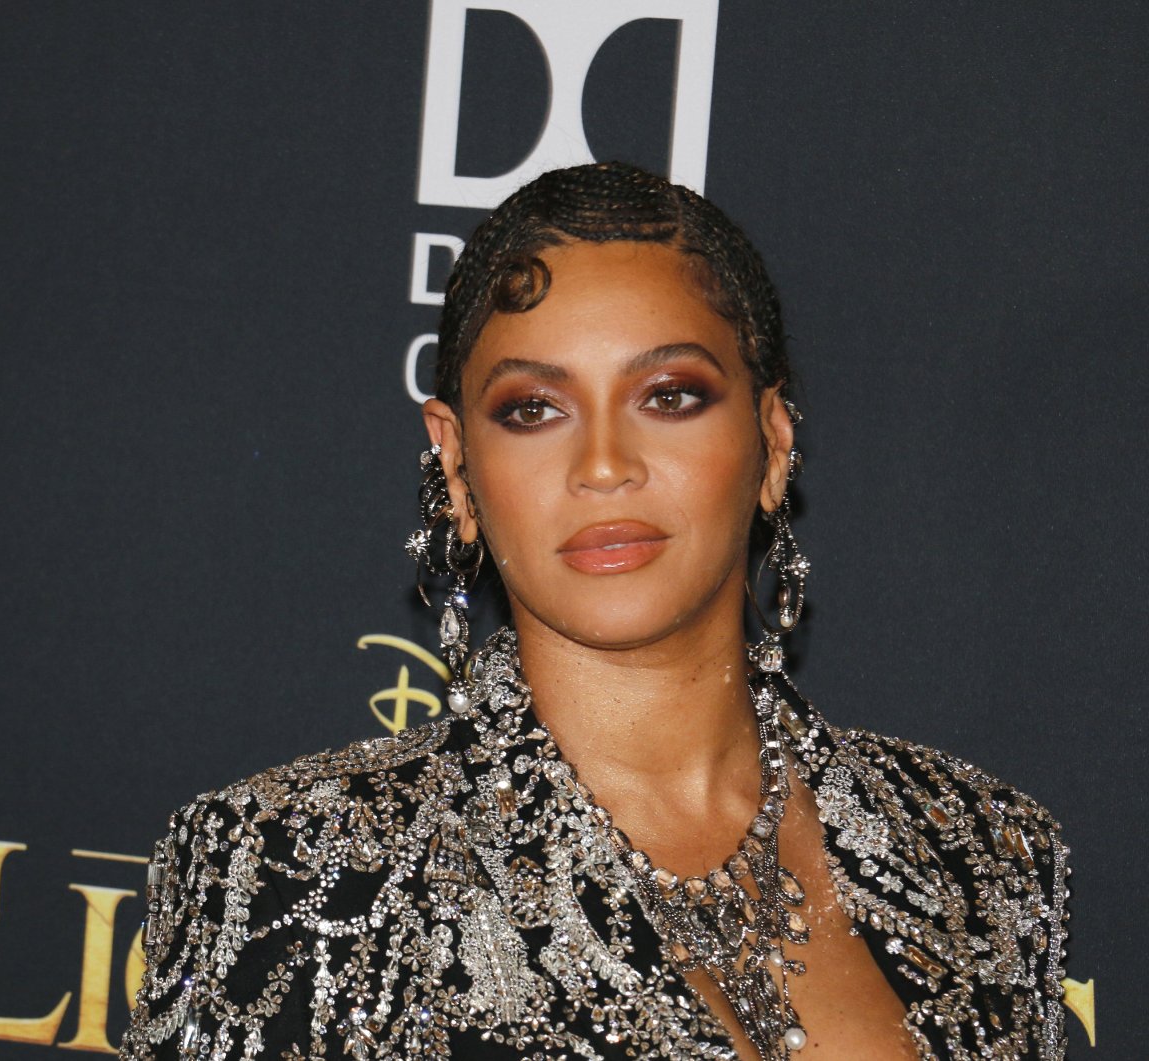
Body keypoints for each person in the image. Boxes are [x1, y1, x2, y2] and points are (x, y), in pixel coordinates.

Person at [118, 161, 1071, 1060]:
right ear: (456, 465)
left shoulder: (985, 849)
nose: (605, 464)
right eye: (534, 408)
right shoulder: (288, 871)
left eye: (669, 394)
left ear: (773, 441)